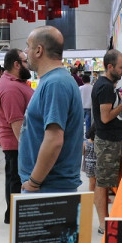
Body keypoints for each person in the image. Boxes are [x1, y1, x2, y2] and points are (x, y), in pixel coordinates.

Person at [19, 26, 84, 193]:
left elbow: (54, 139)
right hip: (48, 185)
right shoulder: (53, 81)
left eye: (28, 46)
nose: (26, 51)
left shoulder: (55, 83)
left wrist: (34, 182)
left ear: (39, 50)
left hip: (49, 187)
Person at [92, 49, 122, 232]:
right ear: (110, 66)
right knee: (103, 183)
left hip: (110, 140)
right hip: (107, 141)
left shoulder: (107, 85)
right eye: (121, 67)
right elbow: (105, 117)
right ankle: (103, 223)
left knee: (106, 182)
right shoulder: (105, 87)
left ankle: (106, 220)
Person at [0, 48, 33, 223]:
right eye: (25, 61)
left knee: (13, 178)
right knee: (16, 180)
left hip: (16, 144)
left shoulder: (15, 82)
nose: (29, 64)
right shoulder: (11, 89)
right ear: (17, 64)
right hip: (17, 144)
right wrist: (28, 149)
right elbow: (16, 123)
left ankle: (13, 214)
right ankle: (14, 215)